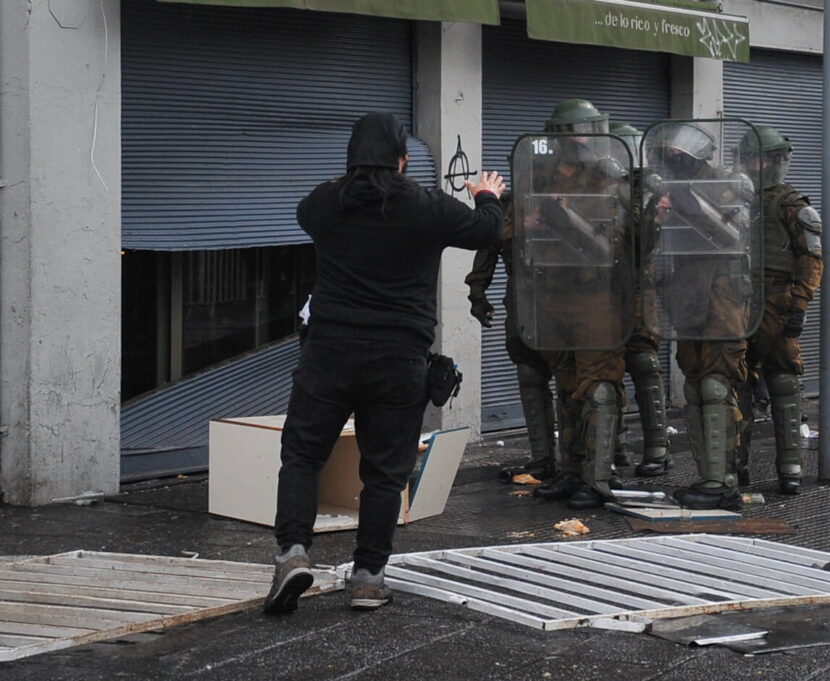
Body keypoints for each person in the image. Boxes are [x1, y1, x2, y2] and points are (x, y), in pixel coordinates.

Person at [264, 112, 504, 615]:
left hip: (329, 353)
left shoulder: (325, 204)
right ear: (403, 159)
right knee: (384, 473)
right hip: (399, 358)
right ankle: (369, 578)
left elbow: (304, 213)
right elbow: (486, 232)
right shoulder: (426, 207)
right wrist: (486, 194)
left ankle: (292, 555)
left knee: (303, 456)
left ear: (351, 158)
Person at [522, 99, 632, 509]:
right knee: (567, 385)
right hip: (552, 291)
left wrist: (565, 219)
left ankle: (598, 478)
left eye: (584, 130)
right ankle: (571, 471)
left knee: (599, 386)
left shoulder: (608, 176)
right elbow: (516, 228)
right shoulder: (539, 174)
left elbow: (620, 239)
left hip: (595, 294)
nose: (579, 139)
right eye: (571, 132)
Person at [645, 123, 756, 510]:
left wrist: (691, 203)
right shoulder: (666, 188)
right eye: (666, 156)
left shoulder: (728, 183)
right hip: (686, 296)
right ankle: (709, 477)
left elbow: (735, 234)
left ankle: (721, 481)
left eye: (677, 155)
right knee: (694, 388)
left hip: (723, 297)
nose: (672, 161)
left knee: (716, 387)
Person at [736, 125, 823, 495]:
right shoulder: (732, 198)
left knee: (783, 380)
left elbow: (812, 257)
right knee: (734, 380)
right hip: (736, 300)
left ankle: (790, 467)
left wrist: (800, 303)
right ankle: (733, 465)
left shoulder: (791, 205)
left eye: (765, 159)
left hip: (775, 300)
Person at [464, 190, 560, 481]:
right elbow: (490, 245)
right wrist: (477, 292)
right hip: (523, 302)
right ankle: (543, 458)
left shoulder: (574, 197)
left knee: (577, 384)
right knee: (530, 376)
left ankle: (582, 462)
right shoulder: (512, 206)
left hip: (568, 304)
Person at [610, 121, 671, 477]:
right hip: (606, 292)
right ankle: (613, 444)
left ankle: (658, 447)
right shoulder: (605, 189)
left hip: (642, 291)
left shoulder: (657, 191)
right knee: (606, 369)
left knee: (645, 366)